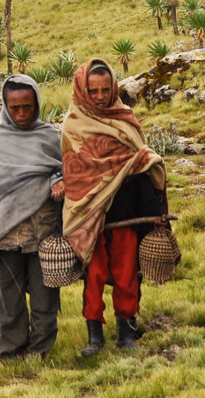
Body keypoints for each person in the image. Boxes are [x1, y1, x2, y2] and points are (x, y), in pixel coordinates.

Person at [60, 58, 165, 355]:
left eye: (105, 90)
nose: (99, 97)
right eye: (92, 91)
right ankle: (94, 337)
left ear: (114, 87)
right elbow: (74, 170)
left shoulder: (124, 118)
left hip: (125, 213)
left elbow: (140, 164)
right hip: (91, 217)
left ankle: (125, 331)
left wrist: (153, 210)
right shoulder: (74, 124)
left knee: (126, 273)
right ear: (82, 89)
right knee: (93, 276)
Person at [0, 74, 65, 362]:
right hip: (7, 233)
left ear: (37, 103)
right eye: (14, 108)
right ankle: (11, 353)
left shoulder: (50, 136)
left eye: (27, 106)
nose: (22, 113)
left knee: (44, 295)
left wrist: (58, 181)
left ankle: (41, 351)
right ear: (4, 106)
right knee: (11, 299)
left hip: (43, 230)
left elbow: (65, 169)